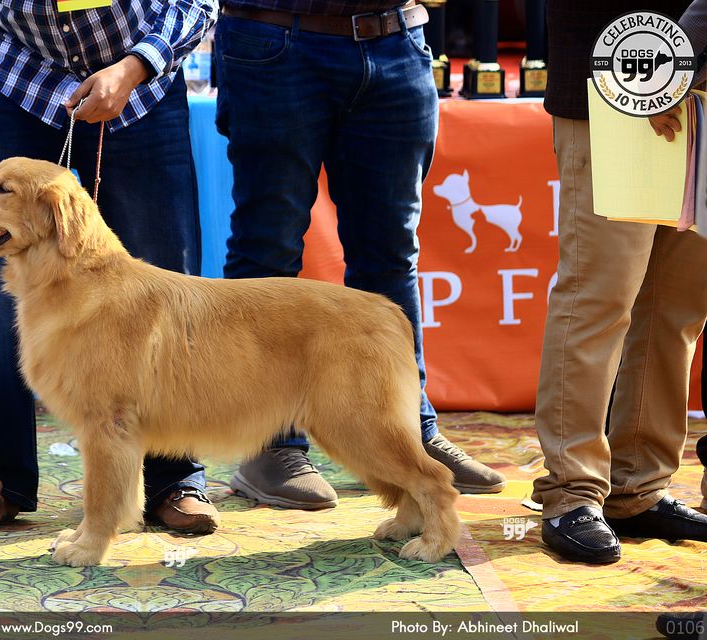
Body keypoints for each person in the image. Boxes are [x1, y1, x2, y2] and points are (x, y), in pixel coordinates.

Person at [0, 0, 220, 535]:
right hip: (24, 84)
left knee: (165, 284)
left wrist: (135, 66)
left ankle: (173, 477)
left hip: (141, 86)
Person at [213, 0, 505, 510]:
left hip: (395, 36)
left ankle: (408, 432)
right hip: (276, 36)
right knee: (266, 253)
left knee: (389, 258)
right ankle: (267, 445)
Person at [533, 0, 707, 566]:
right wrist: (671, 67)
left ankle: (639, 488)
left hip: (696, 89)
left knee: (678, 309)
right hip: (617, 77)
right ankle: (572, 491)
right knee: (599, 296)